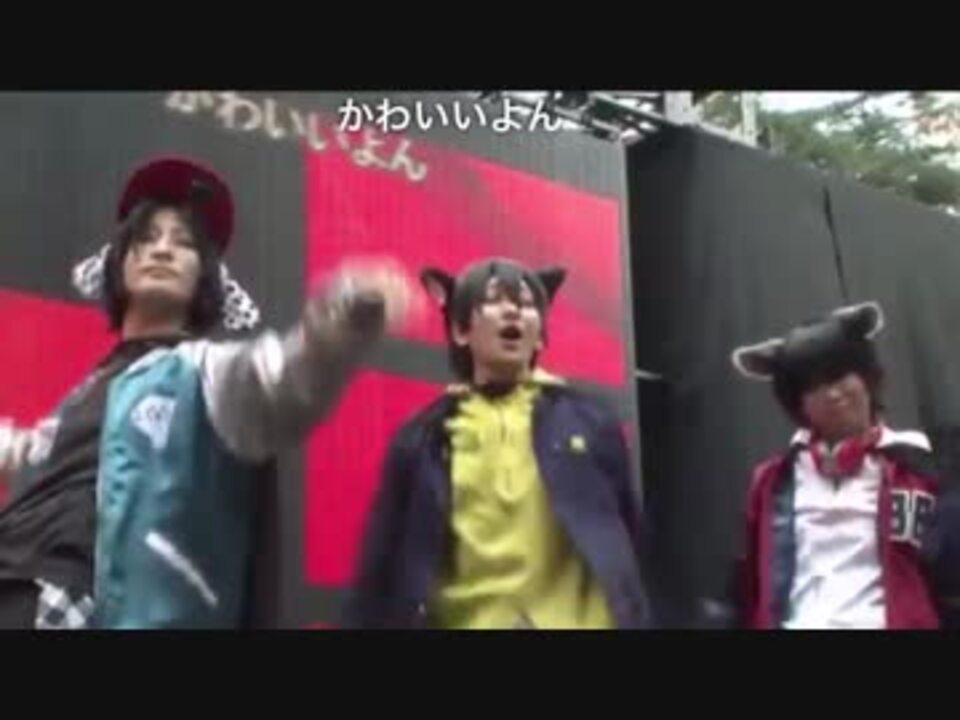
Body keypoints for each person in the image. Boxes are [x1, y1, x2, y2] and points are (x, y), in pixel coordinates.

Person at [0, 156, 419, 628]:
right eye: (147, 238)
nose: (162, 250)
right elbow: (28, 451)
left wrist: (349, 313)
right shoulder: (86, 393)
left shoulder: (209, 374)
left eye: (183, 243)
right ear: (120, 260)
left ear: (206, 275)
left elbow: (288, 376)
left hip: (83, 609)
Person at [346, 257, 652, 629]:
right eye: (494, 299)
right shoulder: (422, 439)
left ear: (540, 334)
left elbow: (631, 543)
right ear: (460, 330)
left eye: (526, 303)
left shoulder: (591, 422)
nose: (513, 311)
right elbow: (381, 571)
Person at [731, 301, 940, 629]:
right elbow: (753, 584)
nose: (832, 393)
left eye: (839, 375)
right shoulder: (772, 481)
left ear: (867, 378)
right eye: (813, 385)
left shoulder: (918, 466)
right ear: (798, 402)